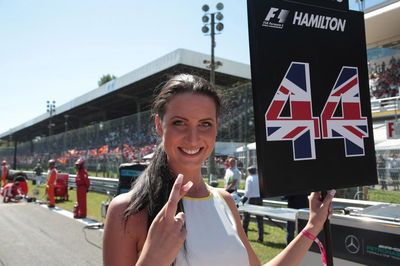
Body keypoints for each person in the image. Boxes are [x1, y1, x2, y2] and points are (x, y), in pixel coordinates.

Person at [102, 74, 335, 266]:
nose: (193, 138)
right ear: (158, 125)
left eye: (205, 124)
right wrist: (152, 260)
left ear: (216, 127)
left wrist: (313, 226)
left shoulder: (225, 201)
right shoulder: (128, 210)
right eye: (179, 122)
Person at [242, 165, 264, 243]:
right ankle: (261, 237)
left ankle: (244, 236)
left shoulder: (249, 178)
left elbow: (247, 191)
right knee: (260, 219)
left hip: (251, 199)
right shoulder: (259, 178)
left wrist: (244, 199)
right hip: (259, 199)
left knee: (246, 218)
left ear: (249, 171)